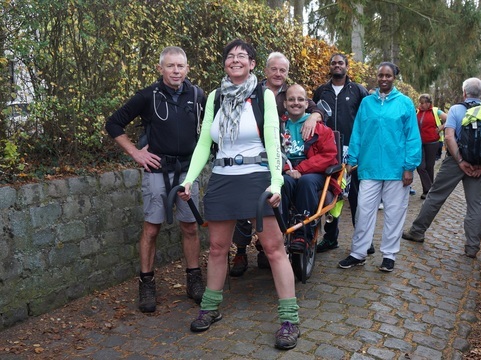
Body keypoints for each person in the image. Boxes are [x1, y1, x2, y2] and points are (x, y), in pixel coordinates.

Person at [178, 39, 300, 350]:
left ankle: (289, 319)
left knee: (273, 249)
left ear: (252, 64)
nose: (235, 60)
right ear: (224, 64)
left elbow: (273, 141)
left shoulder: (263, 96)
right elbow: (205, 142)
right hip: (222, 177)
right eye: (230, 56)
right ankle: (210, 307)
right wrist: (189, 180)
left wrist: (276, 182)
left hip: (257, 176)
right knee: (218, 249)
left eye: (241, 56)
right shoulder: (216, 97)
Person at [105, 46, 206, 313]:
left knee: (190, 227)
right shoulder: (147, 96)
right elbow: (114, 124)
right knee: (151, 229)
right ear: (160, 68)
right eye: (170, 66)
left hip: (187, 172)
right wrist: (136, 153)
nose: (176, 71)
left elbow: (210, 130)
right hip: (156, 170)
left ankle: (194, 280)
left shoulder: (198, 96)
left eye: (180, 66)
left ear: (187, 68)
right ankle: (146, 283)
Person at [230, 52, 324, 277]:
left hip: (278, 154)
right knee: (246, 199)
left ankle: (265, 247)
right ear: (265, 70)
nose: (279, 74)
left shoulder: (289, 94)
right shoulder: (252, 89)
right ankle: (241, 250)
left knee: (271, 197)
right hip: (251, 151)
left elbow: (314, 107)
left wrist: (314, 116)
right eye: (274, 69)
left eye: (283, 70)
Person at [402, 77, 481, 259]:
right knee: (475, 205)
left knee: (435, 196)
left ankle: (417, 232)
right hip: (479, 165)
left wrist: (460, 161)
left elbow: (449, 137)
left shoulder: (456, 109)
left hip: (455, 162)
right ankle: (472, 247)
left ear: (464, 93)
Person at [338, 62, 421, 272]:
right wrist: (352, 158)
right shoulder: (367, 103)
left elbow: (412, 136)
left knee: (394, 213)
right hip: (370, 166)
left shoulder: (405, 103)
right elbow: (357, 131)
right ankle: (358, 253)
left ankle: (389, 255)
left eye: (388, 76)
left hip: (396, 168)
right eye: (380, 75)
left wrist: (409, 166)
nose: (384, 79)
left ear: (395, 78)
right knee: (363, 211)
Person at [312, 53, 370, 253]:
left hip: (352, 151)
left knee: (356, 196)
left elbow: (367, 119)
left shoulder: (358, 91)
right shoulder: (321, 91)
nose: (337, 66)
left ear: (346, 66)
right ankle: (330, 238)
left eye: (340, 63)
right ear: (329, 67)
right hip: (327, 151)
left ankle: (364, 241)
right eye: (333, 63)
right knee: (330, 194)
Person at [281, 84, 341, 251]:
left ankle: (303, 235)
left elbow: (329, 156)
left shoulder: (320, 129)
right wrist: (287, 169)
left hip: (314, 173)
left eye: (300, 99)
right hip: (287, 171)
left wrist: (301, 168)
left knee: (306, 182)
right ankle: (279, 231)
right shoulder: (278, 127)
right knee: (282, 183)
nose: (296, 103)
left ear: (307, 104)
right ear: (285, 104)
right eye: (291, 99)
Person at [415, 93, 447, 199]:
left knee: (429, 167)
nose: (422, 105)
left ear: (429, 103)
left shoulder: (435, 111)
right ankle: (430, 189)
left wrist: (440, 128)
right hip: (419, 143)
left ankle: (426, 191)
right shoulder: (417, 112)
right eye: (420, 103)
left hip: (432, 143)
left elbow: (449, 119)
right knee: (420, 167)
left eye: (424, 103)